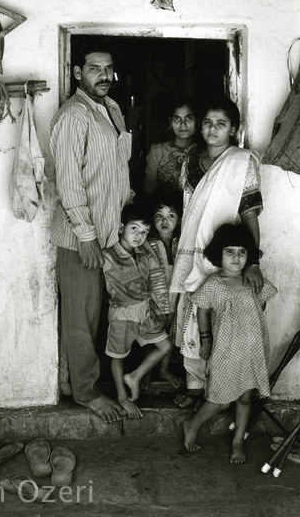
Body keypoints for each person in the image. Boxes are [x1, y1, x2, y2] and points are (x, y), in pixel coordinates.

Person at [50, 36, 132, 423]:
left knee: (102, 314)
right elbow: (68, 181)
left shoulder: (111, 108)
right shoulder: (73, 116)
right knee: (83, 317)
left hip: (108, 234)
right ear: (78, 72)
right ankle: (85, 392)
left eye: (108, 68)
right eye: (94, 68)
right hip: (80, 238)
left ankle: (87, 383)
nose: (104, 75)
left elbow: (114, 168)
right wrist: (85, 235)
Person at [170, 97, 264, 410]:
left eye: (220, 124)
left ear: (233, 129)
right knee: (192, 315)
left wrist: (252, 262)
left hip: (226, 255)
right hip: (191, 249)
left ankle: (220, 387)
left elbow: (250, 214)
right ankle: (195, 385)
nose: (212, 129)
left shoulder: (241, 162)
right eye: (208, 122)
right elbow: (189, 206)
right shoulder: (192, 157)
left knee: (222, 321)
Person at [183, 224, 277, 463]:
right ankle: (192, 426)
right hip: (225, 351)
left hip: (252, 350)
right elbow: (203, 313)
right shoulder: (214, 284)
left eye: (242, 252)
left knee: (245, 398)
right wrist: (206, 341)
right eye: (230, 251)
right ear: (219, 254)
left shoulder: (254, 282)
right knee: (221, 400)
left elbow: (261, 306)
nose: (236, 257)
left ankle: (237, 442)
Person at [103, 204, 172, 419]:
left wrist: (148, 247)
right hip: (123, 315)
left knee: (165, 346)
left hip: (145, 311)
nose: (139, 236)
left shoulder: (142, 254)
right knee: (118, 357)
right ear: (121, 227)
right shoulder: (108, 255)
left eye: (143, 232)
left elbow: (155, 267)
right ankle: (122, 397)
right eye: (134, 229)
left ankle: (135, 376)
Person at [147, 187, 183, 387]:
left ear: (179, 219)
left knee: (169, 335)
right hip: (154, 300)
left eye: (171, 215)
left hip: (175, 299)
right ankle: (147, 371)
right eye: (159, 216)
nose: (164, 221)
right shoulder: (148, 243)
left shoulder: (182, 242)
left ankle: (163, 370)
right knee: (151, 336)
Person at [145, 96, 199, 197]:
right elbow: (149, 190)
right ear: (170, 122)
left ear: (197, 121)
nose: (183, 124)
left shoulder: (203, 151)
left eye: (189, 118)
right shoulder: (158, 151)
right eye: (177, 118)